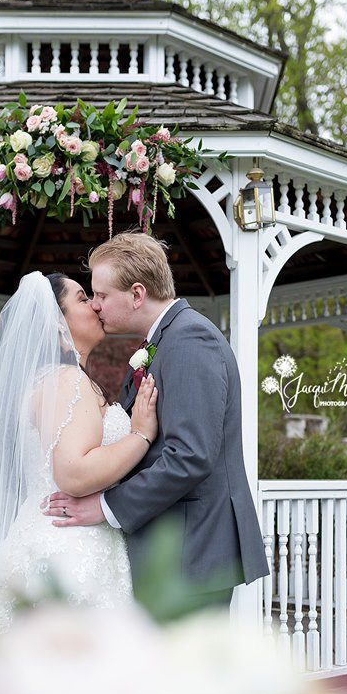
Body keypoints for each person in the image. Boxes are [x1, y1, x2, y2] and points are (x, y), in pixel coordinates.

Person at [42, 231, 270, 608]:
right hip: (172, 550)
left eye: (101, 295)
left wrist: (105, 506)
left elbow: (191, 455)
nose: (96, 305)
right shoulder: (164, 341)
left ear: (136, 294)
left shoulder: (190, 339)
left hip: (190, 552)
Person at [0, 269, 158, 636]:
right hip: (68, 547)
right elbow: (74, 473)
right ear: (57, 323)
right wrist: (141, 436)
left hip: (63, 536)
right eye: (84, 298)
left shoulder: (54, 379)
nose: (96, 305)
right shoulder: (66, 381)